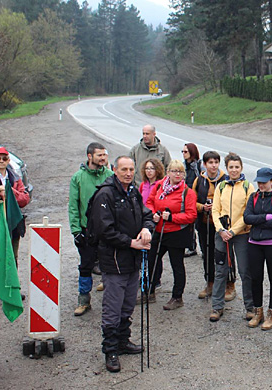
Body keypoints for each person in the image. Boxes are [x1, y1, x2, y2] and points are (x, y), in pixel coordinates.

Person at [90, 156, 153, 373]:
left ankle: (123, 341)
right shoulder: (105, 194)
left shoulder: (133, 191)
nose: (128, 173)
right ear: (114, 170)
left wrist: (146, 229)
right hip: (114, 260)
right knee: (112, 308)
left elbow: (147, 214)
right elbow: (103, 230)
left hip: (133, 260)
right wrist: (131, 243)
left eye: (131, 169)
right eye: (124, 169)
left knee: (127, 305)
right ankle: (110, 350)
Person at [145, 160, 198, 310]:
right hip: (159, 230)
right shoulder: (160, 186)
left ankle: (177, 297)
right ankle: (149, 291)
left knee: (177, 265)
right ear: (168, 172)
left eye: (180, 172)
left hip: (177, 233)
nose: (177, 174)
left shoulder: (187, 192)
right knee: (152, 260)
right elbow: (149, 202)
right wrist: (153, 213)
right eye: (174, 171)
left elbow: (191, 215)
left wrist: (172, 218)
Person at [209, 152, 255, 322]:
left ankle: (250, 307)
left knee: (245, 271)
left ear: (241, 168)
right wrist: (221, 230)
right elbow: (215, 209)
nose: (234, 170)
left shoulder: (248, 187)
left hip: (241, 235)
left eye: (237, 167)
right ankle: (217, 306)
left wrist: (233, 231)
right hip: (221, 235)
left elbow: (247, 213)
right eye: (231, 167)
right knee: (220, 270)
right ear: (226, 168)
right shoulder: (221, 186)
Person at [69, 142, 113, 316]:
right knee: (86, 266)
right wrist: (75, 230)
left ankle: (110, 302)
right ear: (89, 156)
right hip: (87, 230)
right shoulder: (78, 177)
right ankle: (84, 300)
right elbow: (73, 205)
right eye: (99, 155)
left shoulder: (110, 175)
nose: (103, 158)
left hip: (107, 230)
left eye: (104, 155)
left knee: (109, 266)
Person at [243, 168, 272, 330]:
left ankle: (271, 313)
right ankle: (258, 312)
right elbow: (247, 217)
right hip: (255, 243)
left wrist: (257, 220)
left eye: (264, 182)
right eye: (259, 182)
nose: (261, 185)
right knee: (256, 278)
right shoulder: (253, 197)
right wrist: (265, 217)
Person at [191, 151, 232, 300]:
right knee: (207, 254)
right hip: (204, 223)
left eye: (216, 162)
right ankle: (210, 282)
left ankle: (229, 285)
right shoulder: (199, 181)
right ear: (204, 164)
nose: (213, 166)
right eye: (210, 163)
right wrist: (202, 207)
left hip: (222, 224)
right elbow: (191, 200)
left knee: (224, 254)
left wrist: (218, 207)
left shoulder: (226, 179)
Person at [182, 143, 201, 257]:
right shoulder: (184, 166)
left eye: (186, 152)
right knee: (189, 225)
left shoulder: (198, 166)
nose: (183, 154)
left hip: (197, 198)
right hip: (186, 198)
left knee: (198, 225)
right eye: (182, 152)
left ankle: (202, 248)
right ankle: (191, 246)